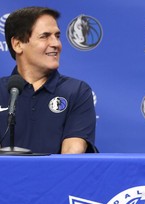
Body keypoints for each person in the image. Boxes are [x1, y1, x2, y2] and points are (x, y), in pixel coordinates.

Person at [0, 6, 97, 154]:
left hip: (56, 177)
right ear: (18, 44)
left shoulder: (76, 91)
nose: (56, 44)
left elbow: (72, 156)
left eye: (57, 36)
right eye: (45, 36)